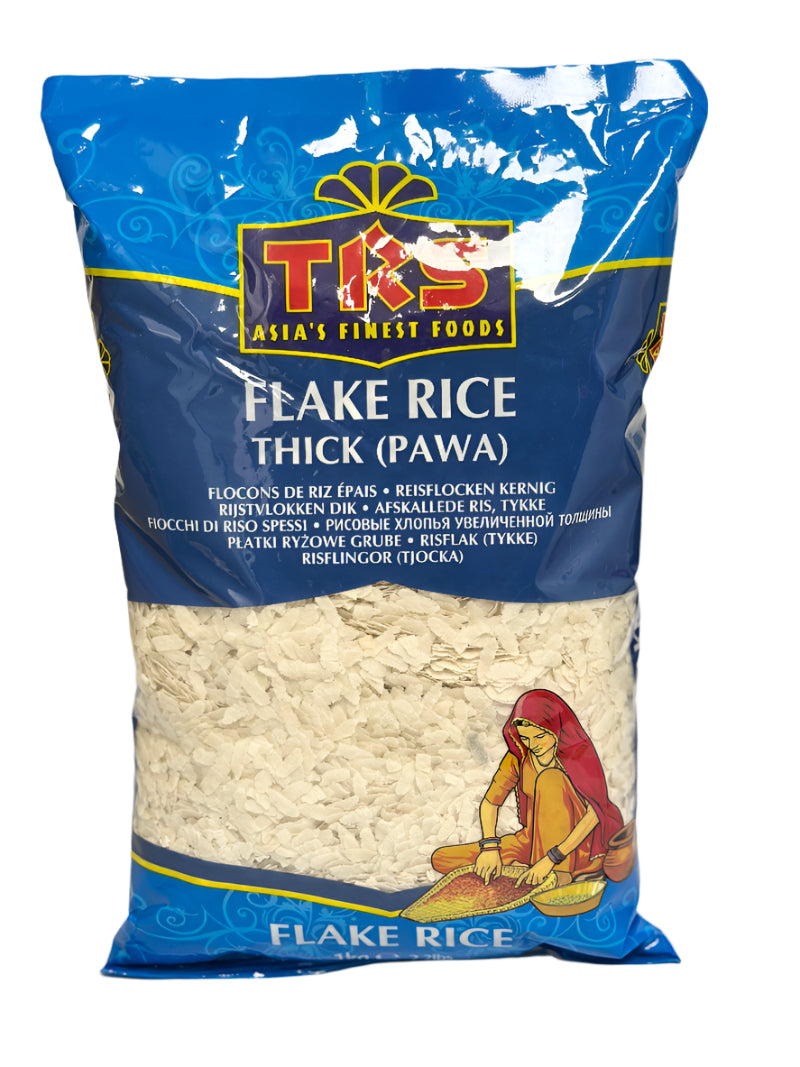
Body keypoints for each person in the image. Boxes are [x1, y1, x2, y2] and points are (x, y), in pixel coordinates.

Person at [431, 689, 624, 888]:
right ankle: (521, 869)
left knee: (550, 779)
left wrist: (552, 858)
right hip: (533, 839)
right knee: (442, 858)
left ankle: (558, 874)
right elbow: (490, 803)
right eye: (525, 738)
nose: (533, 745)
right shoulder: (519, 757)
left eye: (540, 736)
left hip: (576, 846)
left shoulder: (578, 755)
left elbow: (595, 812)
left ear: (556, 728)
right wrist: (489, 848)